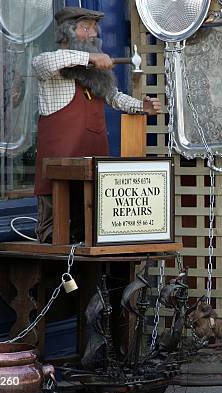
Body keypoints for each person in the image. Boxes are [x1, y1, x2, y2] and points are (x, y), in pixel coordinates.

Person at [32, 7, 161, 243]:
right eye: (85, 27)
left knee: (89, 235)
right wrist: (89, 57)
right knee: (55, 239)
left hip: (91, 171)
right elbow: (46, 62)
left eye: (94, 28)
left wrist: (142, 107)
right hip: (57, 174)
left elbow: (114, 97)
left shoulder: (94, 74)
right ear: (67, 32)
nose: (93, 33)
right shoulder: (50, 68)